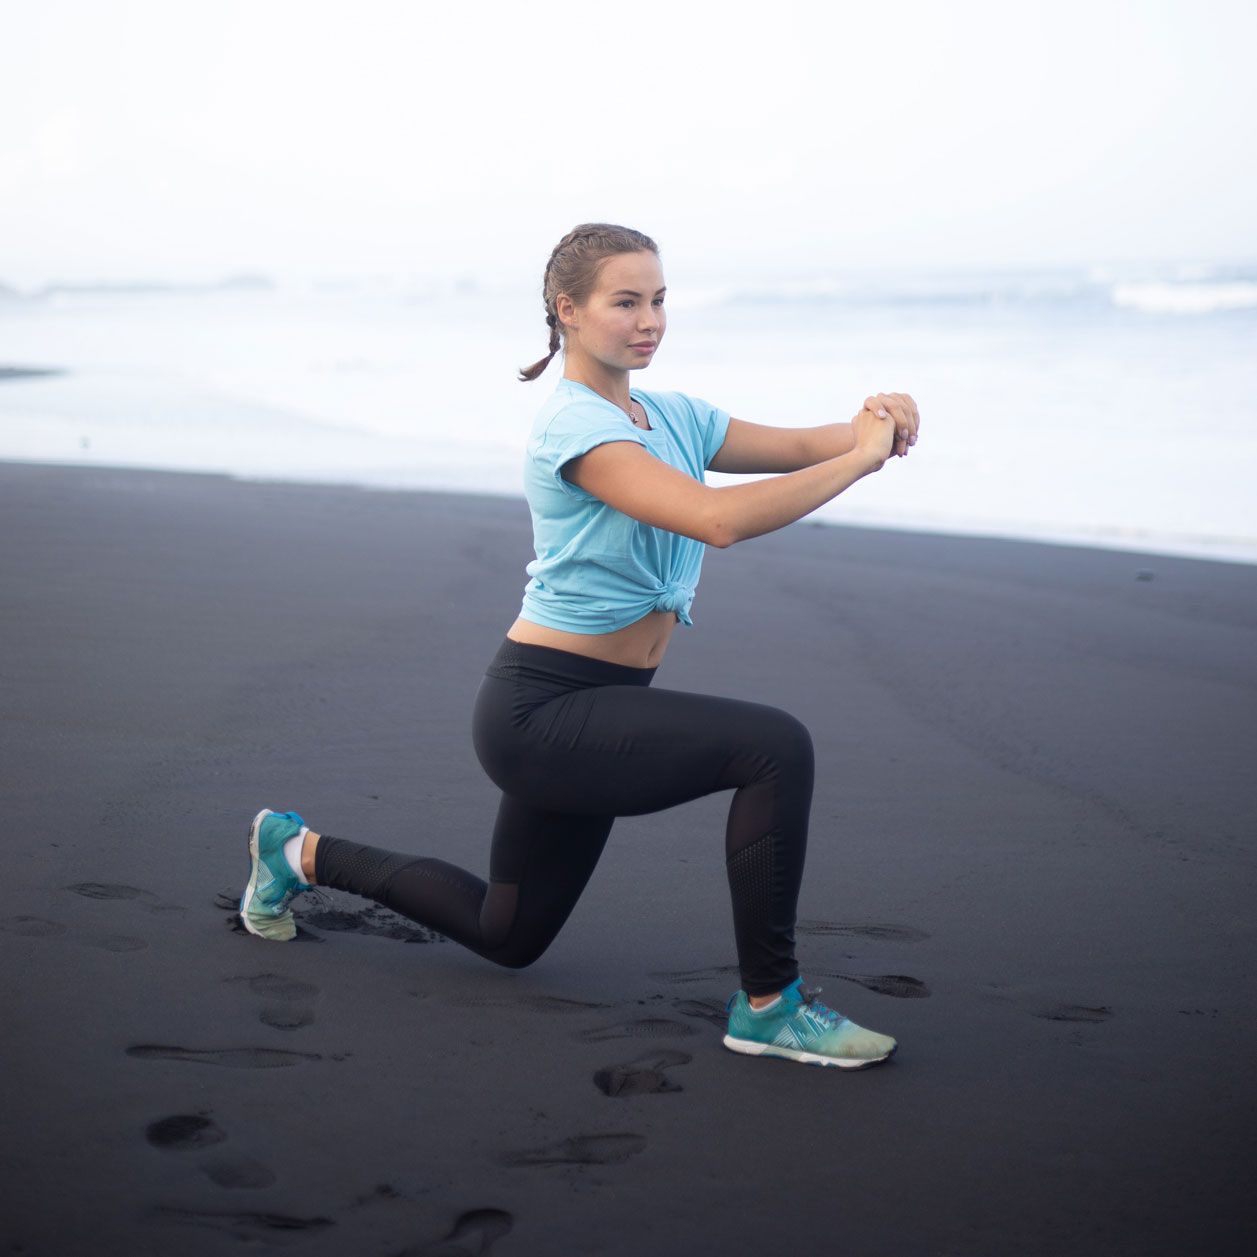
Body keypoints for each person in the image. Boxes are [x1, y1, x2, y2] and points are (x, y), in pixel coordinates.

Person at [238, 222, 920, 1070]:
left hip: (596, 711)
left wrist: (875, 418)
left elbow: (801, 444)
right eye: (625, 301)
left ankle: (294, 851)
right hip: (541, 711)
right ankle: (769, 1005)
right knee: (773, 748)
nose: (650, 320)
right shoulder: (576, 430)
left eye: (660, 299)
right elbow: (716, 519)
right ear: (568, 311)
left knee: (508, 932)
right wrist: (859, 460)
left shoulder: (669, 415)